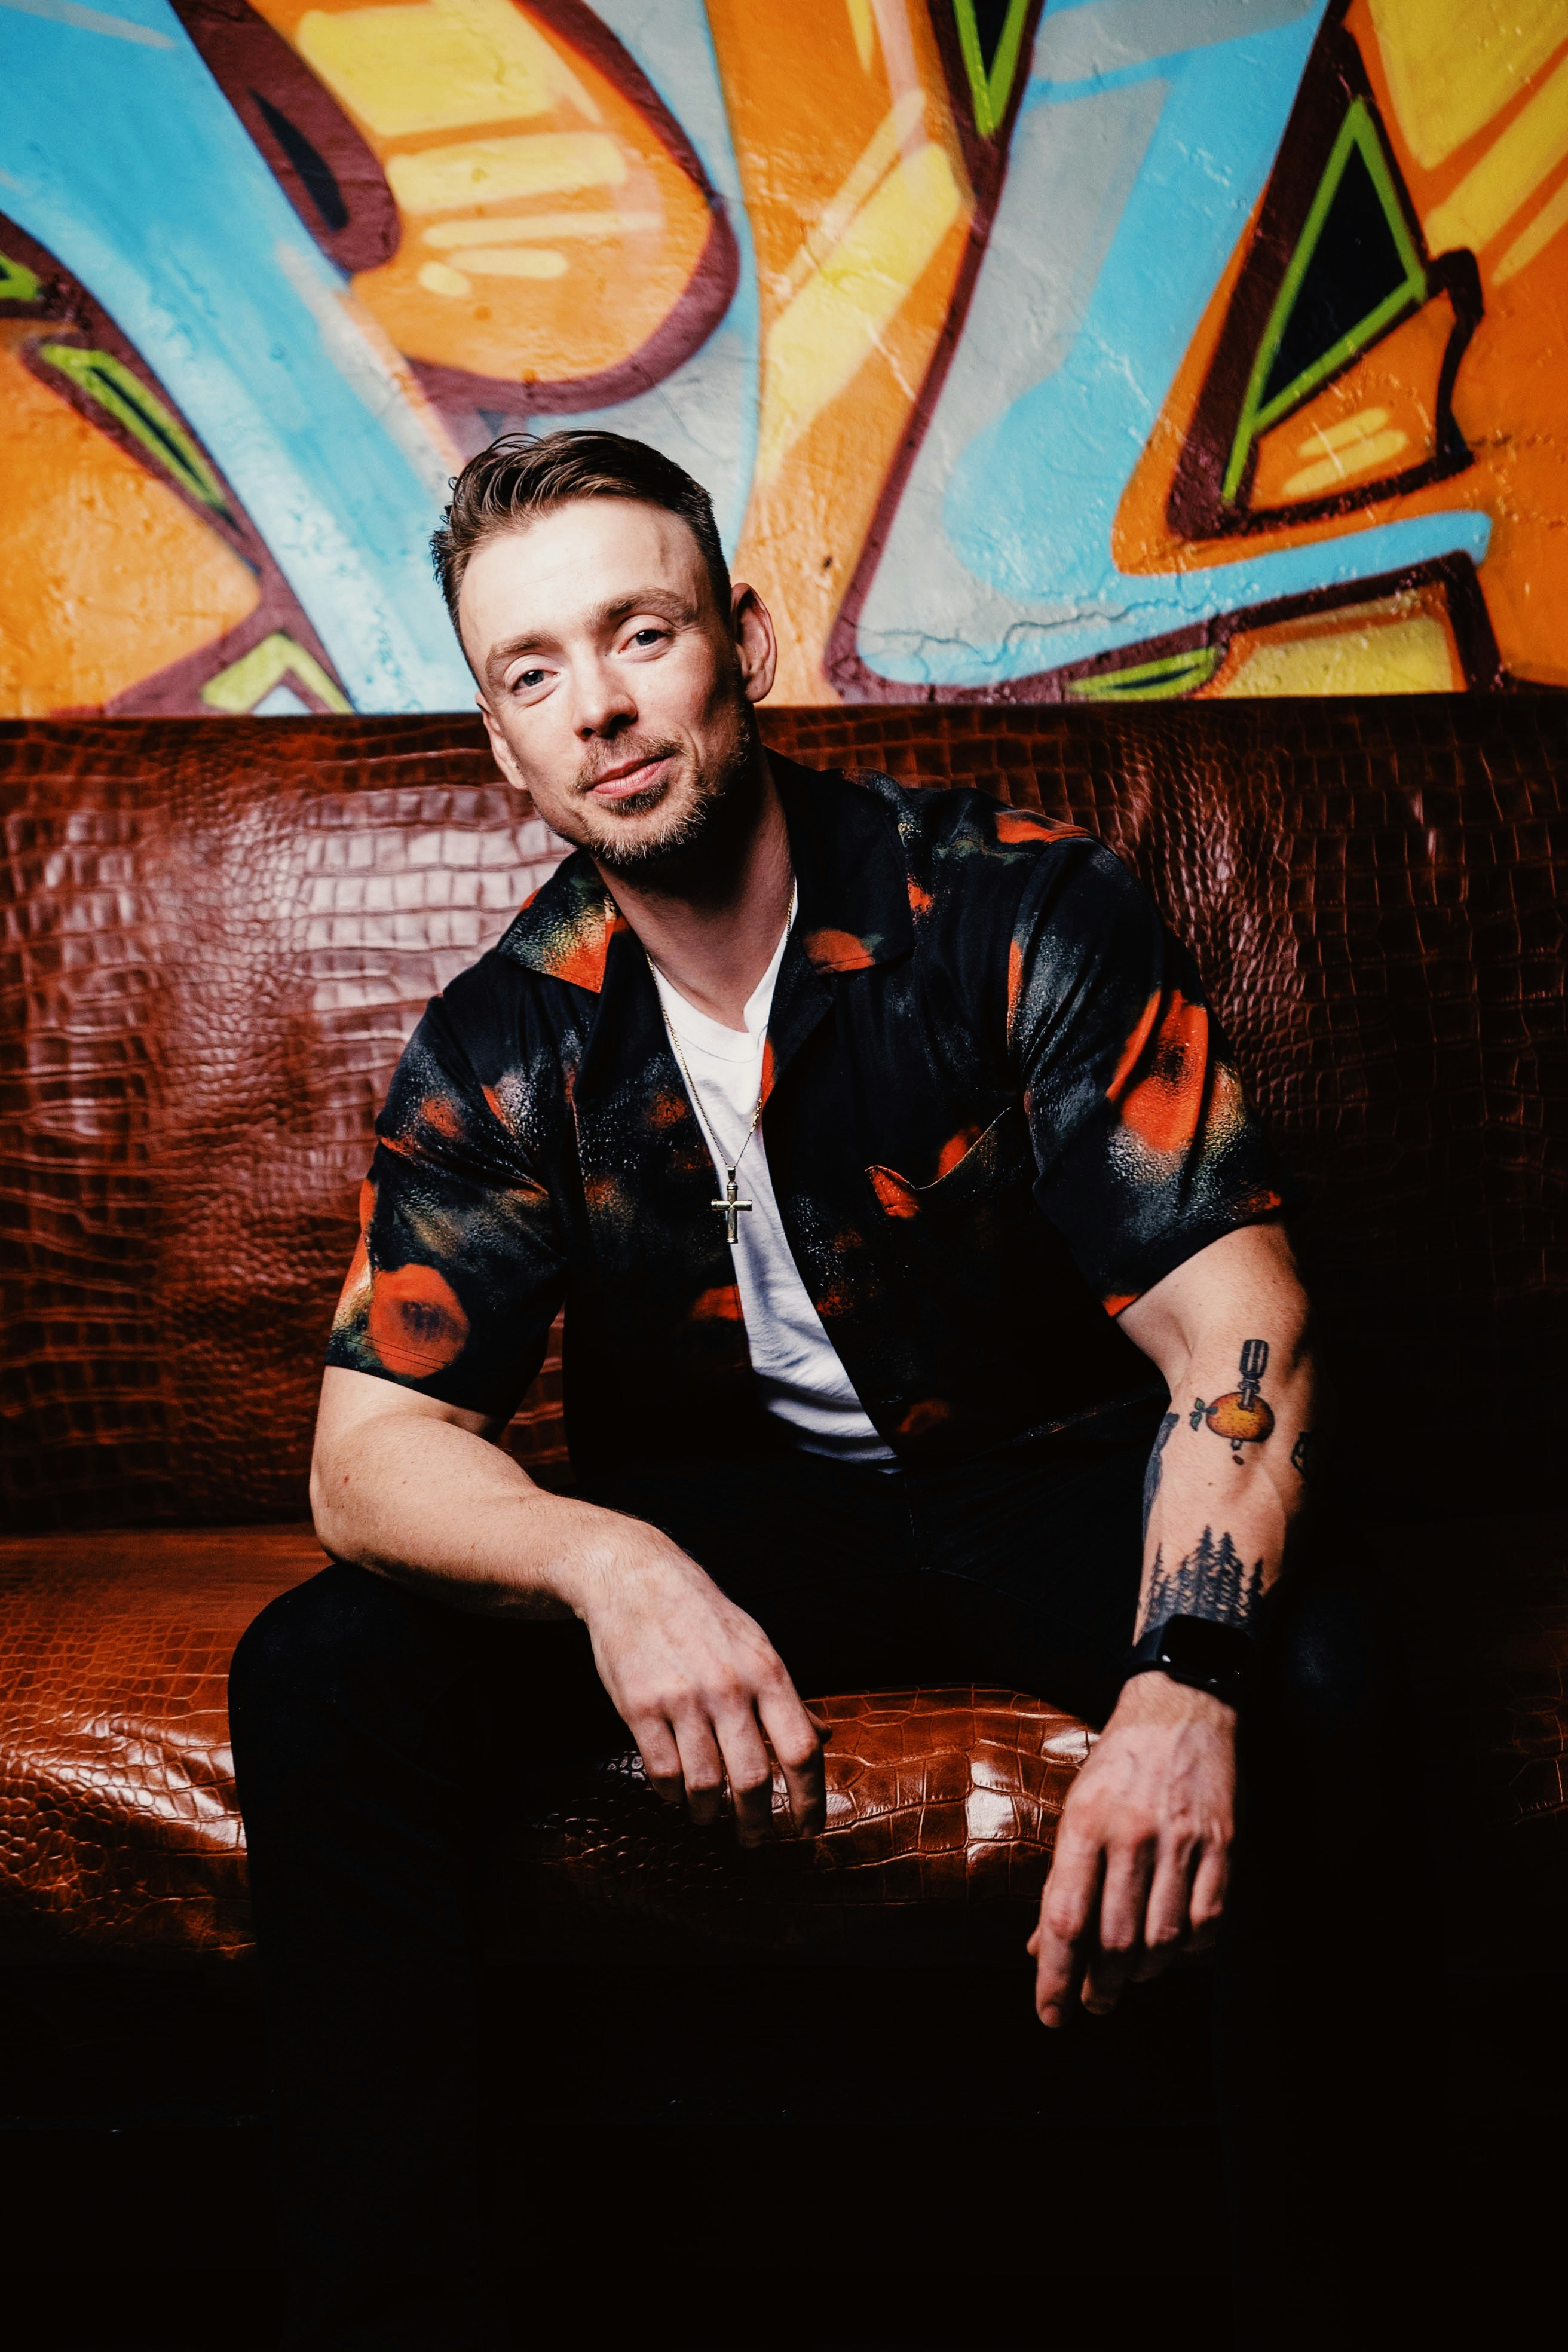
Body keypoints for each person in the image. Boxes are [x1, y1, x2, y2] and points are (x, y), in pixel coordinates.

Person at [230, 431, 1425, 2350]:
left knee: (1323, 1662)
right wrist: (613, 1567)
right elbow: (367, 1455)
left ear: (747, 644)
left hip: (1057, 1480)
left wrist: (1180, 1677)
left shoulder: (1017, 909)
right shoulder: (503, 1037)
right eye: (535, 673)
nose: (603, 705)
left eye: (643, 632)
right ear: (501, 748)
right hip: (737, 1518)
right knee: (318, 1668)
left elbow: (1243, 1325)